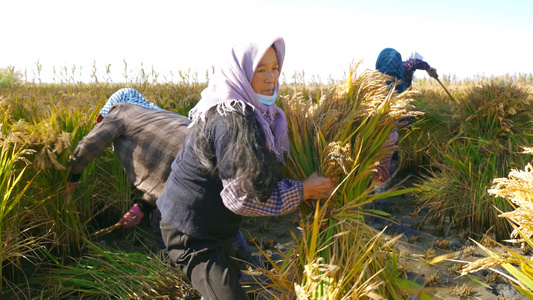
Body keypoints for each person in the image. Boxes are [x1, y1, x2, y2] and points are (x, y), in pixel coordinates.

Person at [156, 36, 337, 299]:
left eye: (275, 68)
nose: (271, 77)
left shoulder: (258, 113)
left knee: (233, 274)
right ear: (240, 72)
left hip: (215, 225)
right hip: (191, 233)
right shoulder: (232, 119)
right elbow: (241, 198)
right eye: (260, 69)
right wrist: (304, 190)